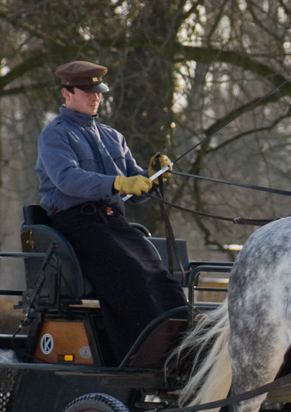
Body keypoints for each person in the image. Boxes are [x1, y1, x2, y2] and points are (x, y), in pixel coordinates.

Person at [34, 60, 186, 364]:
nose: (95, 97)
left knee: (159, 273)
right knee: (130, 273)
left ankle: (182, 344)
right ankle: (142, 355)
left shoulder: (113, 137)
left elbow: (133, 187)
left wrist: (153, 178)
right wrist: (118, 182)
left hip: (113, 223)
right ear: (66, 93)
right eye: (87, 91)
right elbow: (67, 179)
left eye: (99, 92)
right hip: (77, 225)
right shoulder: (55, 136)